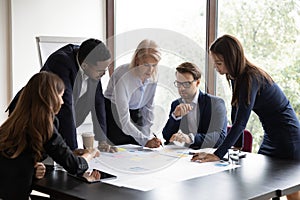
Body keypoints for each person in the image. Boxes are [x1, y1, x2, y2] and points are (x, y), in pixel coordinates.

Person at [191, 35, 300, 200]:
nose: (216, 67)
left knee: (289, 189)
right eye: (215, 62)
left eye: (219, 63)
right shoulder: (236, 77)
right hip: (271, 136)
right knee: (264, 189)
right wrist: (236, 147)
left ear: (232, 59)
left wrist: (218, 154)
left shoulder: (251, 77)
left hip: (289, 138)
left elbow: (241, 122)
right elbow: (236, 113)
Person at [0, 72, 100, 200]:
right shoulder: (44, 126)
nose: (62, 102)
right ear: (51, 98)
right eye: (61, 96)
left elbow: (15, 161)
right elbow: (75, 166)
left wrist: (33, 167)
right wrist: (90, 154)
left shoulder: (11, 124)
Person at [7, 38, 117, 152]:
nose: (104, 74)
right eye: (100, 70)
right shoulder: (61, 62)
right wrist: (73, 149)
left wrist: (102, 140)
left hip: (51, 118)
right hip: (29, 115)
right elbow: (66, 106)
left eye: (106, 69)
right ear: (85, 66)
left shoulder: (92, 64)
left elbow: (98, 102)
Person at [104, 39, 162, 148]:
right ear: (137, 60)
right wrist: (145, 140)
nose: (150, 70)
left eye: (154, 65)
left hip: (136, 110)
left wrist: (148, 136)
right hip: (114, 113)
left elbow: (148, 107)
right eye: (146, 64)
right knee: (121, 150)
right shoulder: (122, 76)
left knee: (139, 150)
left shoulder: (154, 75)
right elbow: (124, 121)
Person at [162, 62, 227, 149]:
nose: (181, 88)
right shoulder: (176, 104)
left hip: (208, 155)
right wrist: (175, 116)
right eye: (178, 84)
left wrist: (190, 138)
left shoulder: (215, 103)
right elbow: (167, 136)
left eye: (186, 84)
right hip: (185, 155)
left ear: (197, 83)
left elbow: (220, 136)